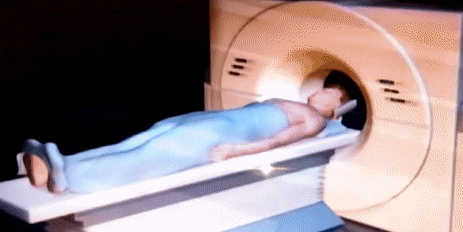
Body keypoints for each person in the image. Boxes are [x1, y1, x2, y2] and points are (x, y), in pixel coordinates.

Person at [22, 86, 349, 194]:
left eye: (329, 93)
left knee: (156, 150)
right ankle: (63, 161)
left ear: (336, 107)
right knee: (145, 138)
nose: (320, 92)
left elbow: (276, 141)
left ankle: (71, 176)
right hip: (218, 120)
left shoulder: (315, 120)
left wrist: (237, 150)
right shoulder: (290, 102)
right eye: (324, 88)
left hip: (226, 133)